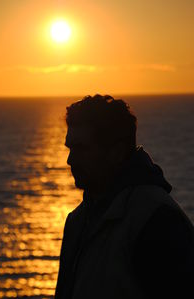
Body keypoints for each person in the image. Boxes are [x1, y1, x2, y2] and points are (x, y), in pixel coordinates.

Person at [55, 94, 194, 299]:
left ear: (117, 152)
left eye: (82, 149)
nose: (70, 160)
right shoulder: (77, 221)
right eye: (70, 148)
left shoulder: (158, 220)